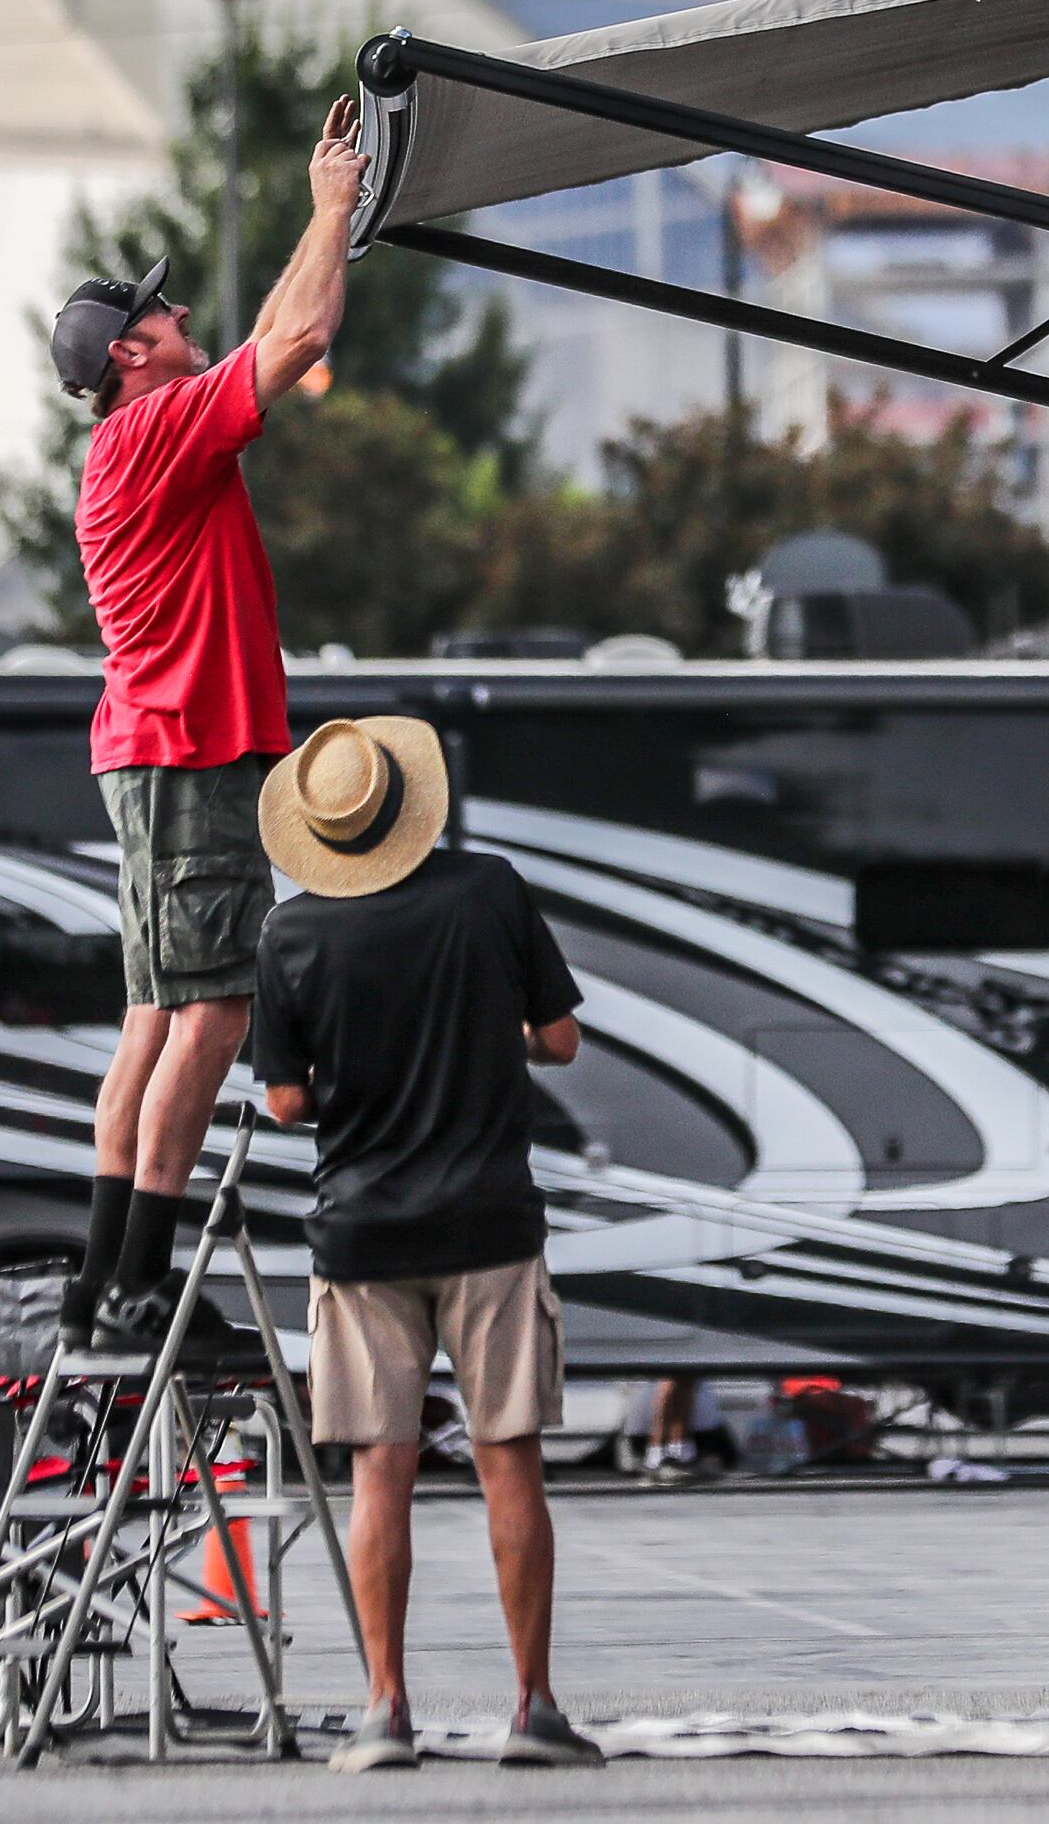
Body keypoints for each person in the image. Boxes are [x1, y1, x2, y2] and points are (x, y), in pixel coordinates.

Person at [51, 99, 365, 1356]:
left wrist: (326, 215)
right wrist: (332, 200)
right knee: (217, 1015)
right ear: (131, 353)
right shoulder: (159, 429)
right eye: (163, 312)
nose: (182, 317)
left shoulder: (134, 440)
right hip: (189, 752)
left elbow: (277, 324)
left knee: (153, 1019)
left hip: (153, 748)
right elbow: (300, 331)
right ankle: (136, 1292)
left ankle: (101, 1284)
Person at [250, 713, 604, 1775]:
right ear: (413, 803)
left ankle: (384, 1712)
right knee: (512, 1470)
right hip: (491, 1222)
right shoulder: (489, 890)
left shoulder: (292, 935)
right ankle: (534, 1709)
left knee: (379, 1480)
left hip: (361, 1234)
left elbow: (281, 1100)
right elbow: (561, 1040)